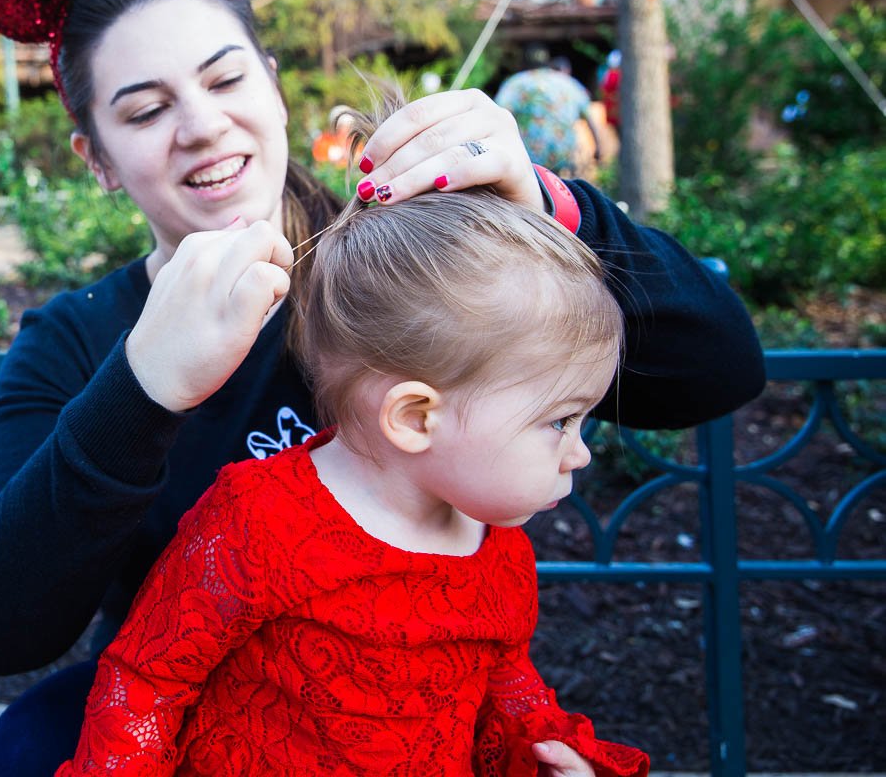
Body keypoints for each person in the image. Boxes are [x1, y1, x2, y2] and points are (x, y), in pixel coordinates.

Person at [0, 0, 762, 775]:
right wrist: (142, 388)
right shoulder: (80, 340)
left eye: (225, 81)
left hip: (402, 697)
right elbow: (2, 627)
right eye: (144, 111)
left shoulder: (400, 262)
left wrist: (545, 200)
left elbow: (721, 368)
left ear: (270, 79)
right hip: (186, 716)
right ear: (96, 158)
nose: (203, 126)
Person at [56, 184, 647, 776]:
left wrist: (543, 743)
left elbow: (502, 670)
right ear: (416, 417)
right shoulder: (263, 520)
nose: (580, 454)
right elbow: (152, 674)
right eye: (560, 420)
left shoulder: (495, 544)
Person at [494, 52, 602, 178]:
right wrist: (599, 146)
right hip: (562, 155)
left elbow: (498, 114)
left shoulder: (516, 83)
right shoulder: (569, 83)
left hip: (528, 156)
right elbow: (590, 118)